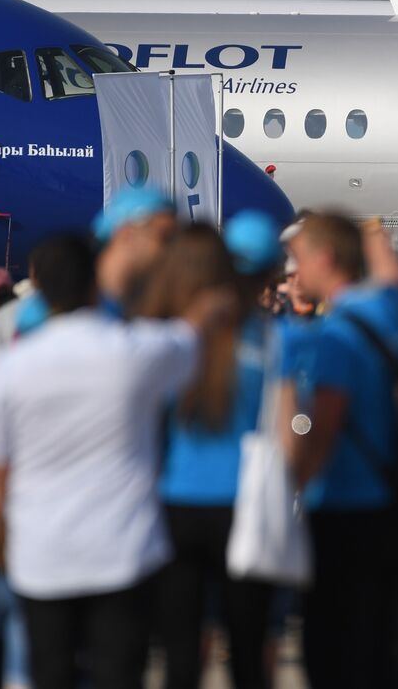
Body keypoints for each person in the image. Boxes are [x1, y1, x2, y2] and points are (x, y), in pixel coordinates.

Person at [0, 231, 228, 689]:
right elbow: (194, 333)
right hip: (124, 552)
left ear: (38, 291)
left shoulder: (10, 370)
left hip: (41, 556)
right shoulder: (134, 351)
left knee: (51, 674)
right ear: (93, 287)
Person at [139, 218, 280, 689]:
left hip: (177, 500)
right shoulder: (266, 338)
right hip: (245, 504)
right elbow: (288, 424)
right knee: (248, 647)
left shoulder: (168, 338)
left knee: (180, 651)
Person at [276, 213, 398, 688]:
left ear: (326, 260)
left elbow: (324, 428)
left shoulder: (335, 335)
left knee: (332, 648)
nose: (292, 273)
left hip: (342, 506)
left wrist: (290, 490)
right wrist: (370, 230)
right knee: (376, 643)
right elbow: (393, 276)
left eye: (297, 261)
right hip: (389, 501)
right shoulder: (386, 310)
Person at [92, 187, 178, 315]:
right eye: (166, 237)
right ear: (126, 234)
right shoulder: (71, 297)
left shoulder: (162, 303)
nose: (175, 248)